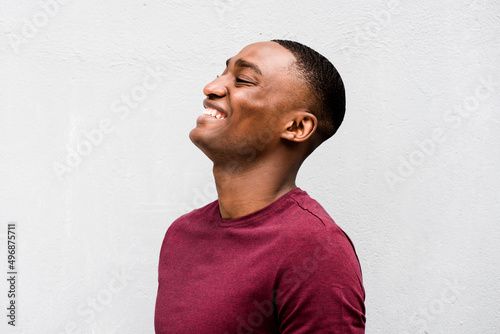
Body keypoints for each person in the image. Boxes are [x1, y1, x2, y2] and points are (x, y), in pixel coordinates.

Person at [155, 40, 366, 333]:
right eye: (222, 72)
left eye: (243, 80)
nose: (211, 87)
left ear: (296, 127)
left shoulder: (316, 249)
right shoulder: (181, 235)